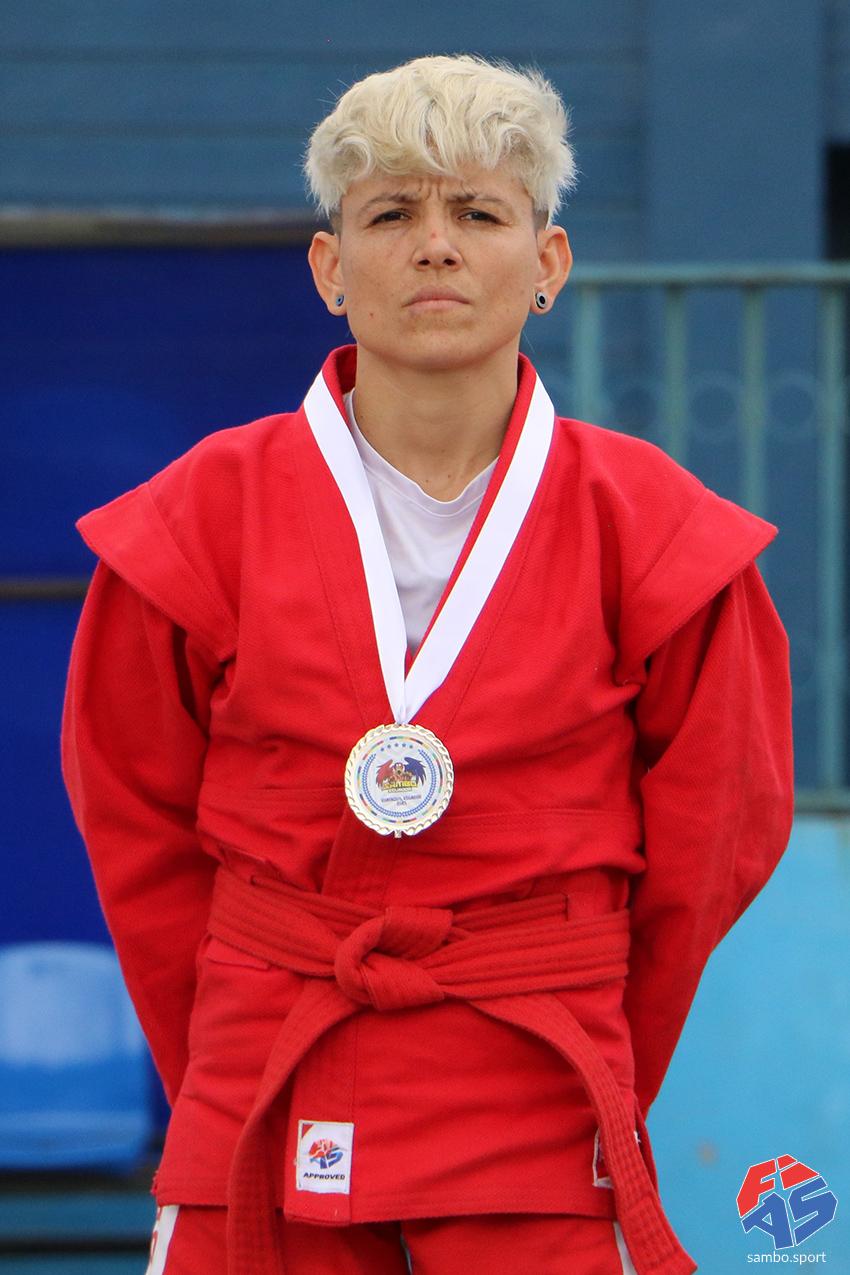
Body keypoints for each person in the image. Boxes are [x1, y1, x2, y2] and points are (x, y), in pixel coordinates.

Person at [60, 53, 794, 1275]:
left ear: (547, 263)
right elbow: (133, 827)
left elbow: (716, 840)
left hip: (532, 1087)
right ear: (329, 267)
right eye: (392, 213)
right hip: (265, 1082)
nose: (436, 247)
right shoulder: (197, 518)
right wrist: (225, 1052)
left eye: (480, 214)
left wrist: (593, 1040)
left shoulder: (655, 531)